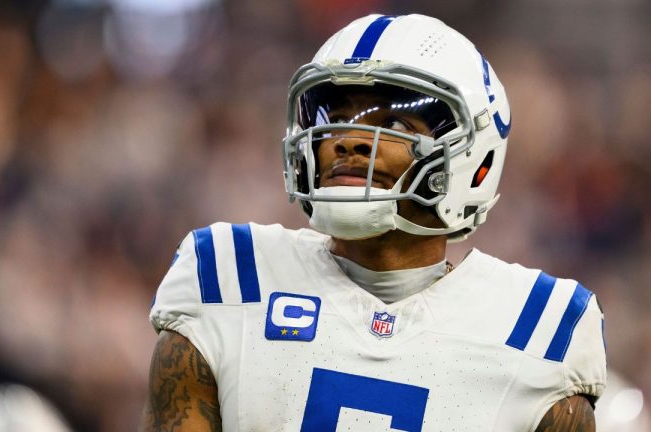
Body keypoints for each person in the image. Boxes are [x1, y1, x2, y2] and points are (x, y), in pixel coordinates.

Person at [141, 14, 606, 431]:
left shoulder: (540, 331)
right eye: (337, 117)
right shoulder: (226, 277)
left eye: (398, 126)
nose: (349, 140)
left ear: (473, 159)